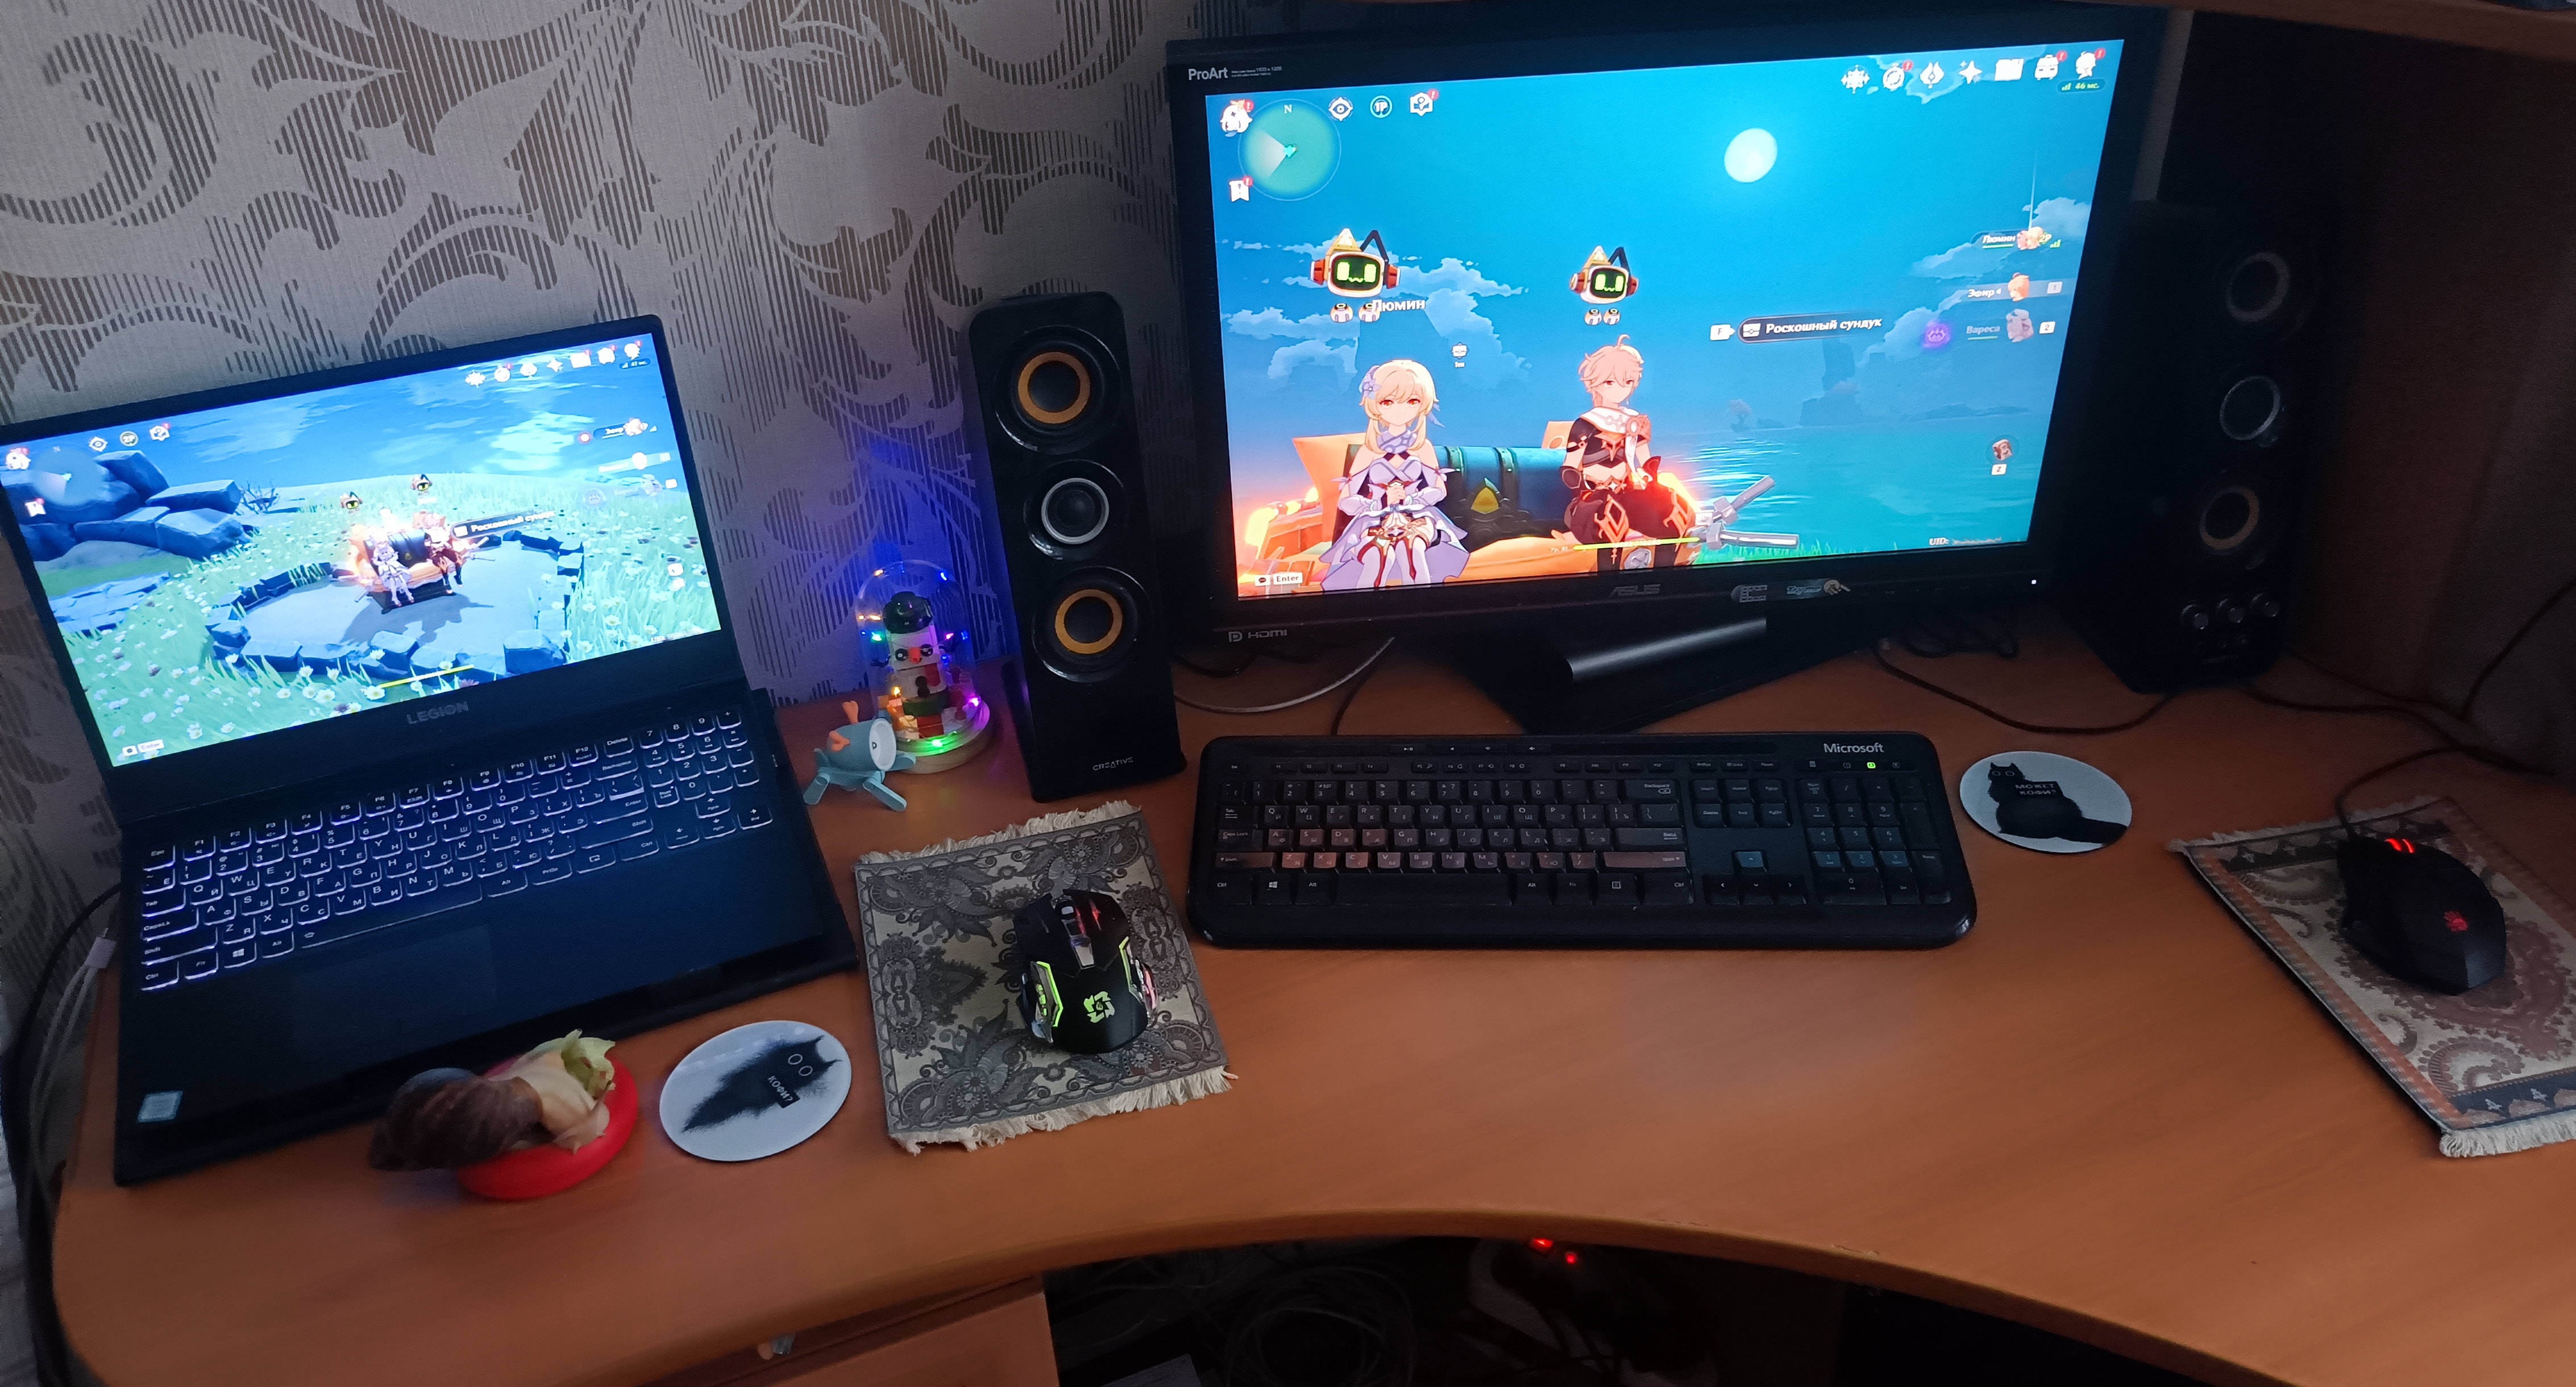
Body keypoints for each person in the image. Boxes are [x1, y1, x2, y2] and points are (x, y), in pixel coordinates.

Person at [1316, 359, 1470, 589]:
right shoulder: (1370, 450)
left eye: (1412, 401)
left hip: (1417, 517)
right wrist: (1380, 502)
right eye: (1388, 402)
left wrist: (1409, 499)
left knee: (1414, 550)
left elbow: (1439, 489)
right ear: (1375, 404)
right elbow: (1345, 500)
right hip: (1375, 519)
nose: (1400, 409)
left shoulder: (1422, 447)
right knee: (1377, 557)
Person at [1561, 337, 1696, 570]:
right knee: (1610, 518)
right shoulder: (1585, 424)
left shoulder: (1635, 421)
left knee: (1675, 510)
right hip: (1591, 500)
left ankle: (1666, 577)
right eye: (1610, 382)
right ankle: (1608, 583)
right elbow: (1570, 466)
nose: (1620, 389)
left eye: (1628, 381)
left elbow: (1644, 460)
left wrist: (1652, 482)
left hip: (1626, 493)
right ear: (1595, 384)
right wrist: (1580, 485)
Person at [370, 533, 415, 607]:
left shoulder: (389, 548)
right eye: (380, 543)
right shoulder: (376, 551)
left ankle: (409, 595)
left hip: (394, 564)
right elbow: (375, 562)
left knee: (402, 579)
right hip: (385, 567)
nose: (382, 545)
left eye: (384, 542)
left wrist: (391, 560)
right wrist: (382, 563)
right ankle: (395, 598)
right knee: (392, 582)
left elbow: (396, 556)